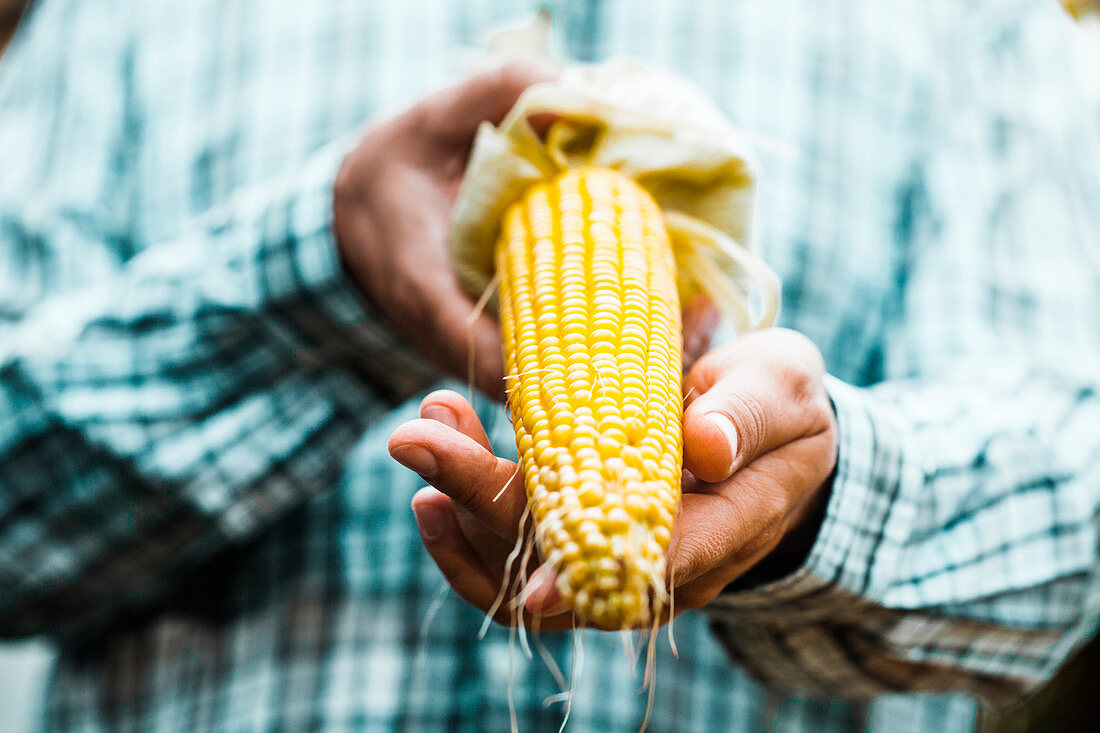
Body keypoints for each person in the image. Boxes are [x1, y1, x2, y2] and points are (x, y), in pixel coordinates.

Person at [1, 1, 1098, 731]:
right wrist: (319, 275)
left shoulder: (971, 22)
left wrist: (813, 501)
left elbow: (1067, 513)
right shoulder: (118, 20)